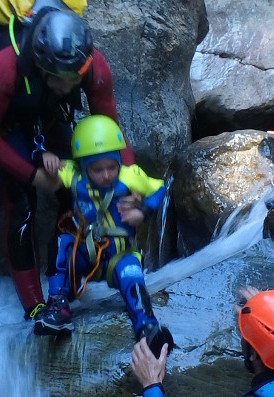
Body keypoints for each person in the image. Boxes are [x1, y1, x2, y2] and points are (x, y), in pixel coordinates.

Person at [0, 9, 136, 322]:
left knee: (79, 189)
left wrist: (130, 182)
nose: (71, 83)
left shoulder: (92, 65)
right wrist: (32, 176)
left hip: (46, 118)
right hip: (1, 125)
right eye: (63, 78)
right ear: (43, 67)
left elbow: (111, 128)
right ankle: (34, 305)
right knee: (21, 203)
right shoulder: (4, 68)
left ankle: (63, 285)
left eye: (76, 76)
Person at [34, 115, 174, 352]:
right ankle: (58, 307)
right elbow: (40, 173)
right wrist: (42, 155)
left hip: (119, 254)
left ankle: (147, 327)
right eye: (97, 169)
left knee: (131, 272)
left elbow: (159, 187)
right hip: (84, 253)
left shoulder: (130, 175)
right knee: (61, 244)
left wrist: (143, 211)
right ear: (83, 165)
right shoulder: (72, 173)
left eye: (111, 166)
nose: (107, 174)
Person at [131, 287, 274, 396]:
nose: (242, 338)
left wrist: (152, 385)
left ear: (254, 354)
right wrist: (267, 308)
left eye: (245, 336)